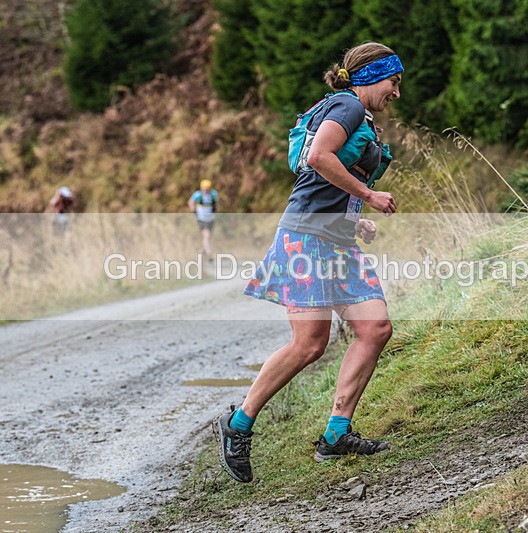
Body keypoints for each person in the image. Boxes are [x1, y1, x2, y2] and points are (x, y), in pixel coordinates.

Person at [215, 42, 403, 483]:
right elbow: (318, 158)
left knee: (375, 328)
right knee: (309, 344)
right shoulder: (347, 106)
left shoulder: (355, 114)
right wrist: (369, 195)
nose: (397, 92)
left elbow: (324, 180)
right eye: (394, 82)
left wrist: (355, 218)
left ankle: (336, 434)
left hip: (336, 238)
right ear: (373, 75)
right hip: (306, 239)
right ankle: (238, 424)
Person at [188, 179, 219, 258]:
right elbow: (190, 202)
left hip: (211, 218)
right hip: (201, 218)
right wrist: (194, 211)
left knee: (209, 236)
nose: (206, 190)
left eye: (207, 189)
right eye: (204, 188)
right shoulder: (198, 194)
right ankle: (209, 253)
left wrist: (215, 210)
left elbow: (216, 203)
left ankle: (203, 252)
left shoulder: (214, 194)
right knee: (206, 235)